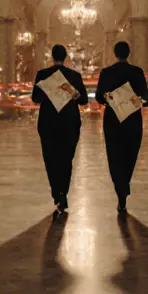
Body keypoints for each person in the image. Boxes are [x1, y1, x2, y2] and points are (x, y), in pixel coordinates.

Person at [31, 44, 89, 215]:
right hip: (69, 124)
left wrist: (47, 91)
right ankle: (63, 192)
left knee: (51, 160)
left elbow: (36, 98)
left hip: (48, 124)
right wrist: (73, 93)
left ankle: (57, 193)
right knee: (66, 160)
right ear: (66, 58)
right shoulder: (74, 76)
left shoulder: (43, 74)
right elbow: (83, 100)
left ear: (51, 56)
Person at [95, 41, 148, 214]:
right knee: (130, 154)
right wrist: (130, 100)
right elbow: (146, 99)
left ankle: (121, 190)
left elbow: (98, 97)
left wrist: (112, 99)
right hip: (132, 120)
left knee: (114, 155)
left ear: (114, 53)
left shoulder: (106, 73)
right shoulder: (137, 72)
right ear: (129, 53)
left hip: (113, 120)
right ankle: (124, 185)